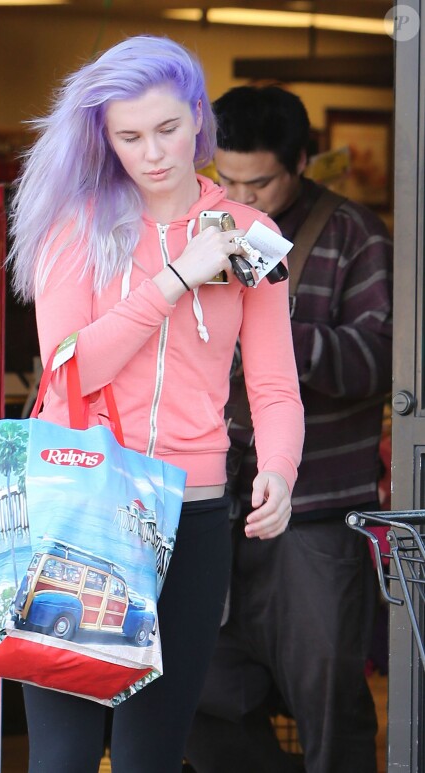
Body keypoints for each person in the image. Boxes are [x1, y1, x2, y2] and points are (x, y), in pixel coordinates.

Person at [7, 35, 304, 773]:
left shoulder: (250, 237)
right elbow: (70, 369)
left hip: (192, 508)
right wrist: (176, 277)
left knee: (154, 753)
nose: (153, 152)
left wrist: (281, 468)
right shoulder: (75, 226)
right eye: (129, 136)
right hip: (81, 503)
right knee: (65, 756)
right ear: (105, 139)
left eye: (169, 129)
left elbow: (271, 381)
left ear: (199, 117)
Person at [186, 85, 393, 773]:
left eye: (262, 181)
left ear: (303, 162)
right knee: (199, 692)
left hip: (315, 514)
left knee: (328, 698)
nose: (242, 193)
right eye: (227, 177)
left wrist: (274, 335)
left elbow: (377, 361)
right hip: (213, 503)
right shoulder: (198, 227)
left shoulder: (354, 235)